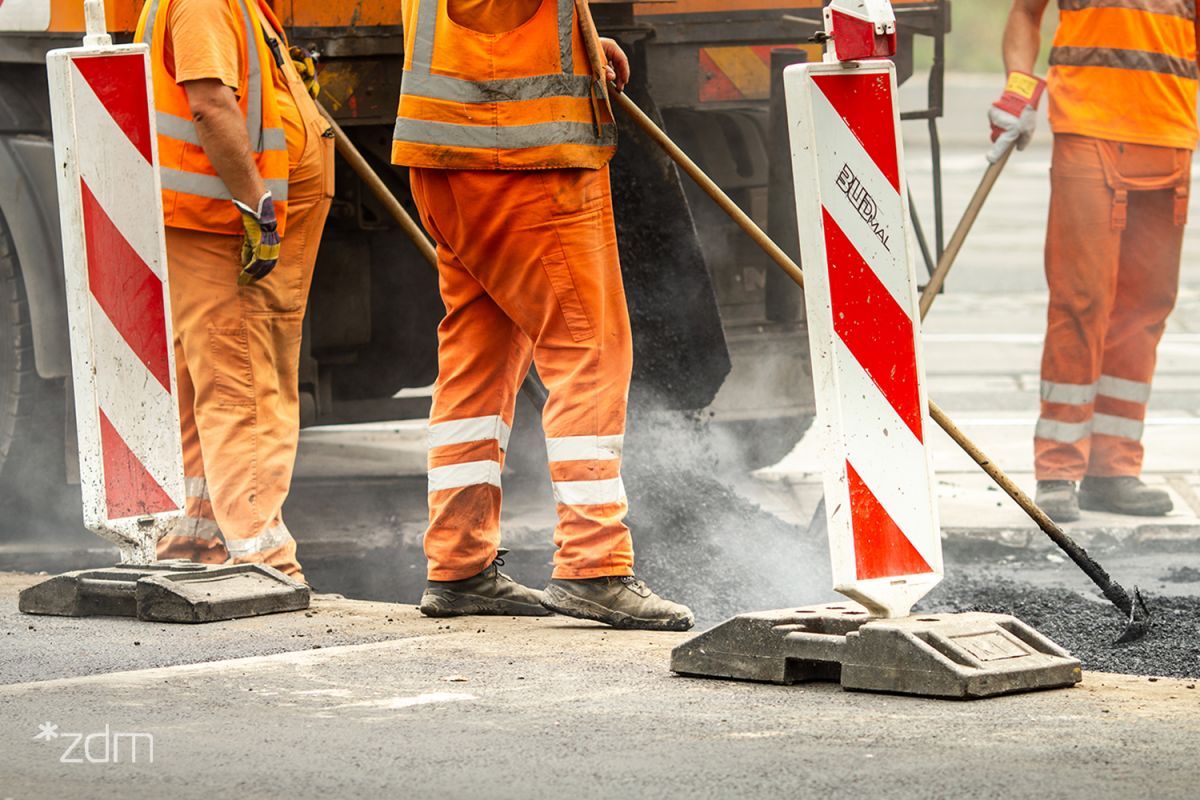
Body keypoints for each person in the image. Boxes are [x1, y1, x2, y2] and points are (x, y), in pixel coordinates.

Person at [391, 0, 694, 630]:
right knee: (589, 351)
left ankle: (459, 561)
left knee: (479, 356)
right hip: (521, 160)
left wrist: (584, 39)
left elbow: (492, 25)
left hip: (461, 153)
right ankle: (594, 564)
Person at [135, 0, 334, 580]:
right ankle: (262, 557)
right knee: (245, 383)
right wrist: (257, 208)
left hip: (215, 221)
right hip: (222, 225)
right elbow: (210, 104)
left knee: (212, 379)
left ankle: (198, 540)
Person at [994, 0, 1196, 522]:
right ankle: (1058, 469)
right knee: (1081, 299)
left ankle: (1113, 470)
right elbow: (1025, 14)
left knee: (1146, 308)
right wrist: (1019, 92)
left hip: (1170, 135)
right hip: (1087, 128)